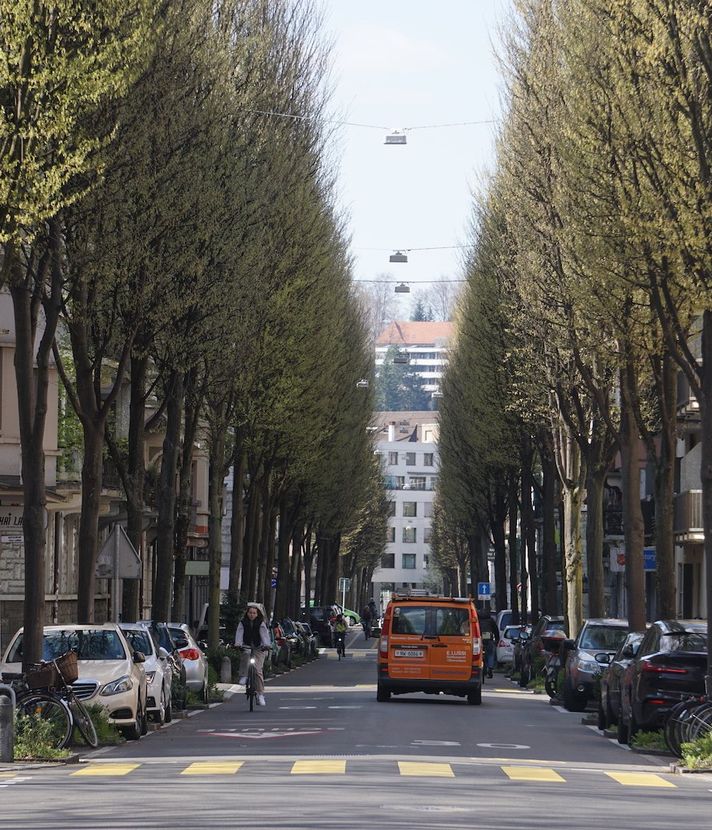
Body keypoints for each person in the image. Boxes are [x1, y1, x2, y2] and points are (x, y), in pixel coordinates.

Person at [234, 603, 271, 706]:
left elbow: (264, 635)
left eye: (254, 613)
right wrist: (238, 643)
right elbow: (239, 633)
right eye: (250, 612)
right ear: (247, 613)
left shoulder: (261, 623)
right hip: (247, 646)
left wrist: (266, 645)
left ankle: (260, 695)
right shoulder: (243, 623)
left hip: (259, 648)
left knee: (258, 670)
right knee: (245, 655)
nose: (252, 615)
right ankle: (244, 675)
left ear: (257, 614)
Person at [479, 609, 499, 679]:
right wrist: (497, 640)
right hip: (489, 637)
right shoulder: (491, 620)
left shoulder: (478, 620)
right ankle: (490, 668)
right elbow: (496, 630)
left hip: (480, 637)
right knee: (490, 654)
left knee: (478, 653)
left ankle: (480, 666)